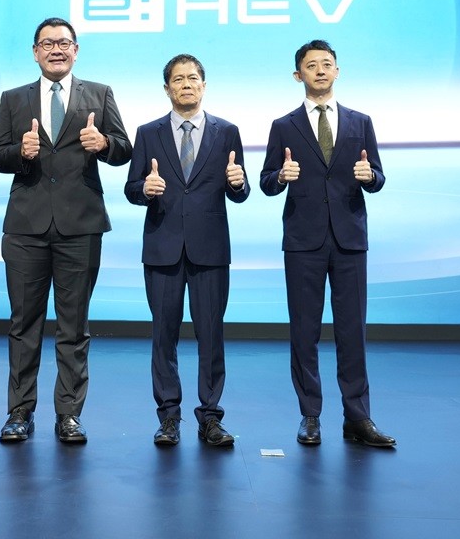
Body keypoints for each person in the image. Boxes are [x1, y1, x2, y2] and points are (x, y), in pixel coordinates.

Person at [0, 17, 132, 444]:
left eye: (64, 43)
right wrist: (21, 151)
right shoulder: (13, 98)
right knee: (24, 324)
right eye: (48, 43)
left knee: (74, 325)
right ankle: (19, 412)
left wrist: (104, 144)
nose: (56, 49)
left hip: (81, 225)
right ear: (35, 52)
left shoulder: (100, 93)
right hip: (25, 227)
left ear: (76, 50)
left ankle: (69, 413)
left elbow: (124, 148)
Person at [260, 39, 396, 449]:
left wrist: (370, 177)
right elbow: (266, 182)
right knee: (304, 331)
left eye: (326, 63)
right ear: (297, 74)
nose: (320, 70)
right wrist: (280, 177)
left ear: (337, 71)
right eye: (311, 65)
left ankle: (358, 417)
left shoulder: (360, 122)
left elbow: (378, 176)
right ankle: (310, 415)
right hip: (303, 240)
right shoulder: (283, 125)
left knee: (353, 331)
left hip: (350, 238)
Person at [123, 54, 249, 448]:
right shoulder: (148, 133)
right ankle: (168, 417)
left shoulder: (227, 132)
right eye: (178, 79)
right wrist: (145, 189)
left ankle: (210, 417)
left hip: (210, 249)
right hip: (162, 248)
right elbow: (131, 188)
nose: (186, 84)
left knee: (211, 335)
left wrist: (238, 182)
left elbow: (240, 191)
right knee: (164, 336)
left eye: (193, 78)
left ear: (204, 85)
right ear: (167, 88)